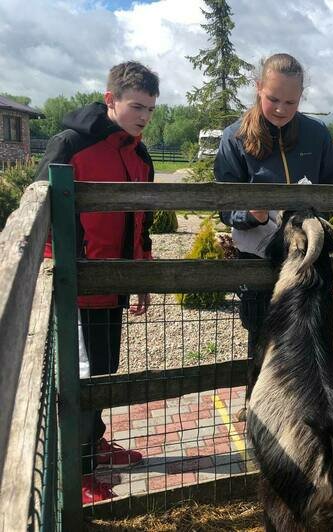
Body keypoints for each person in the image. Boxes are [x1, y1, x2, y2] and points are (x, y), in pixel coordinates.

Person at [36, 61, 159, 504]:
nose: (144, 116)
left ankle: (95, 444)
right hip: (76, 288)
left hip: (116, 284)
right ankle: (79, 470)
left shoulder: (140, 155)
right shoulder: (70, 144)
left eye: (150, 109)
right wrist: (65, 272)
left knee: (104, 373)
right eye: (136, 107)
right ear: (110, 100)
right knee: (81, 378)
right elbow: (40, 213)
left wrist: (141, 275)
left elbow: (141, 223)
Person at [214, 53, 333, 418]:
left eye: (291, 101)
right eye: (273, 99)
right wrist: (248, 213)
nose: (282, 109)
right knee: (261, 330)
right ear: (258, 89)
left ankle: (308, 402)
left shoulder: (317, 134)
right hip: (257, 252)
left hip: (306, 252)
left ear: (301, 97)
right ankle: (257, 402)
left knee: (313, 326)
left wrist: (315, 214)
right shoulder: (235, 137)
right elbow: (224, 204)